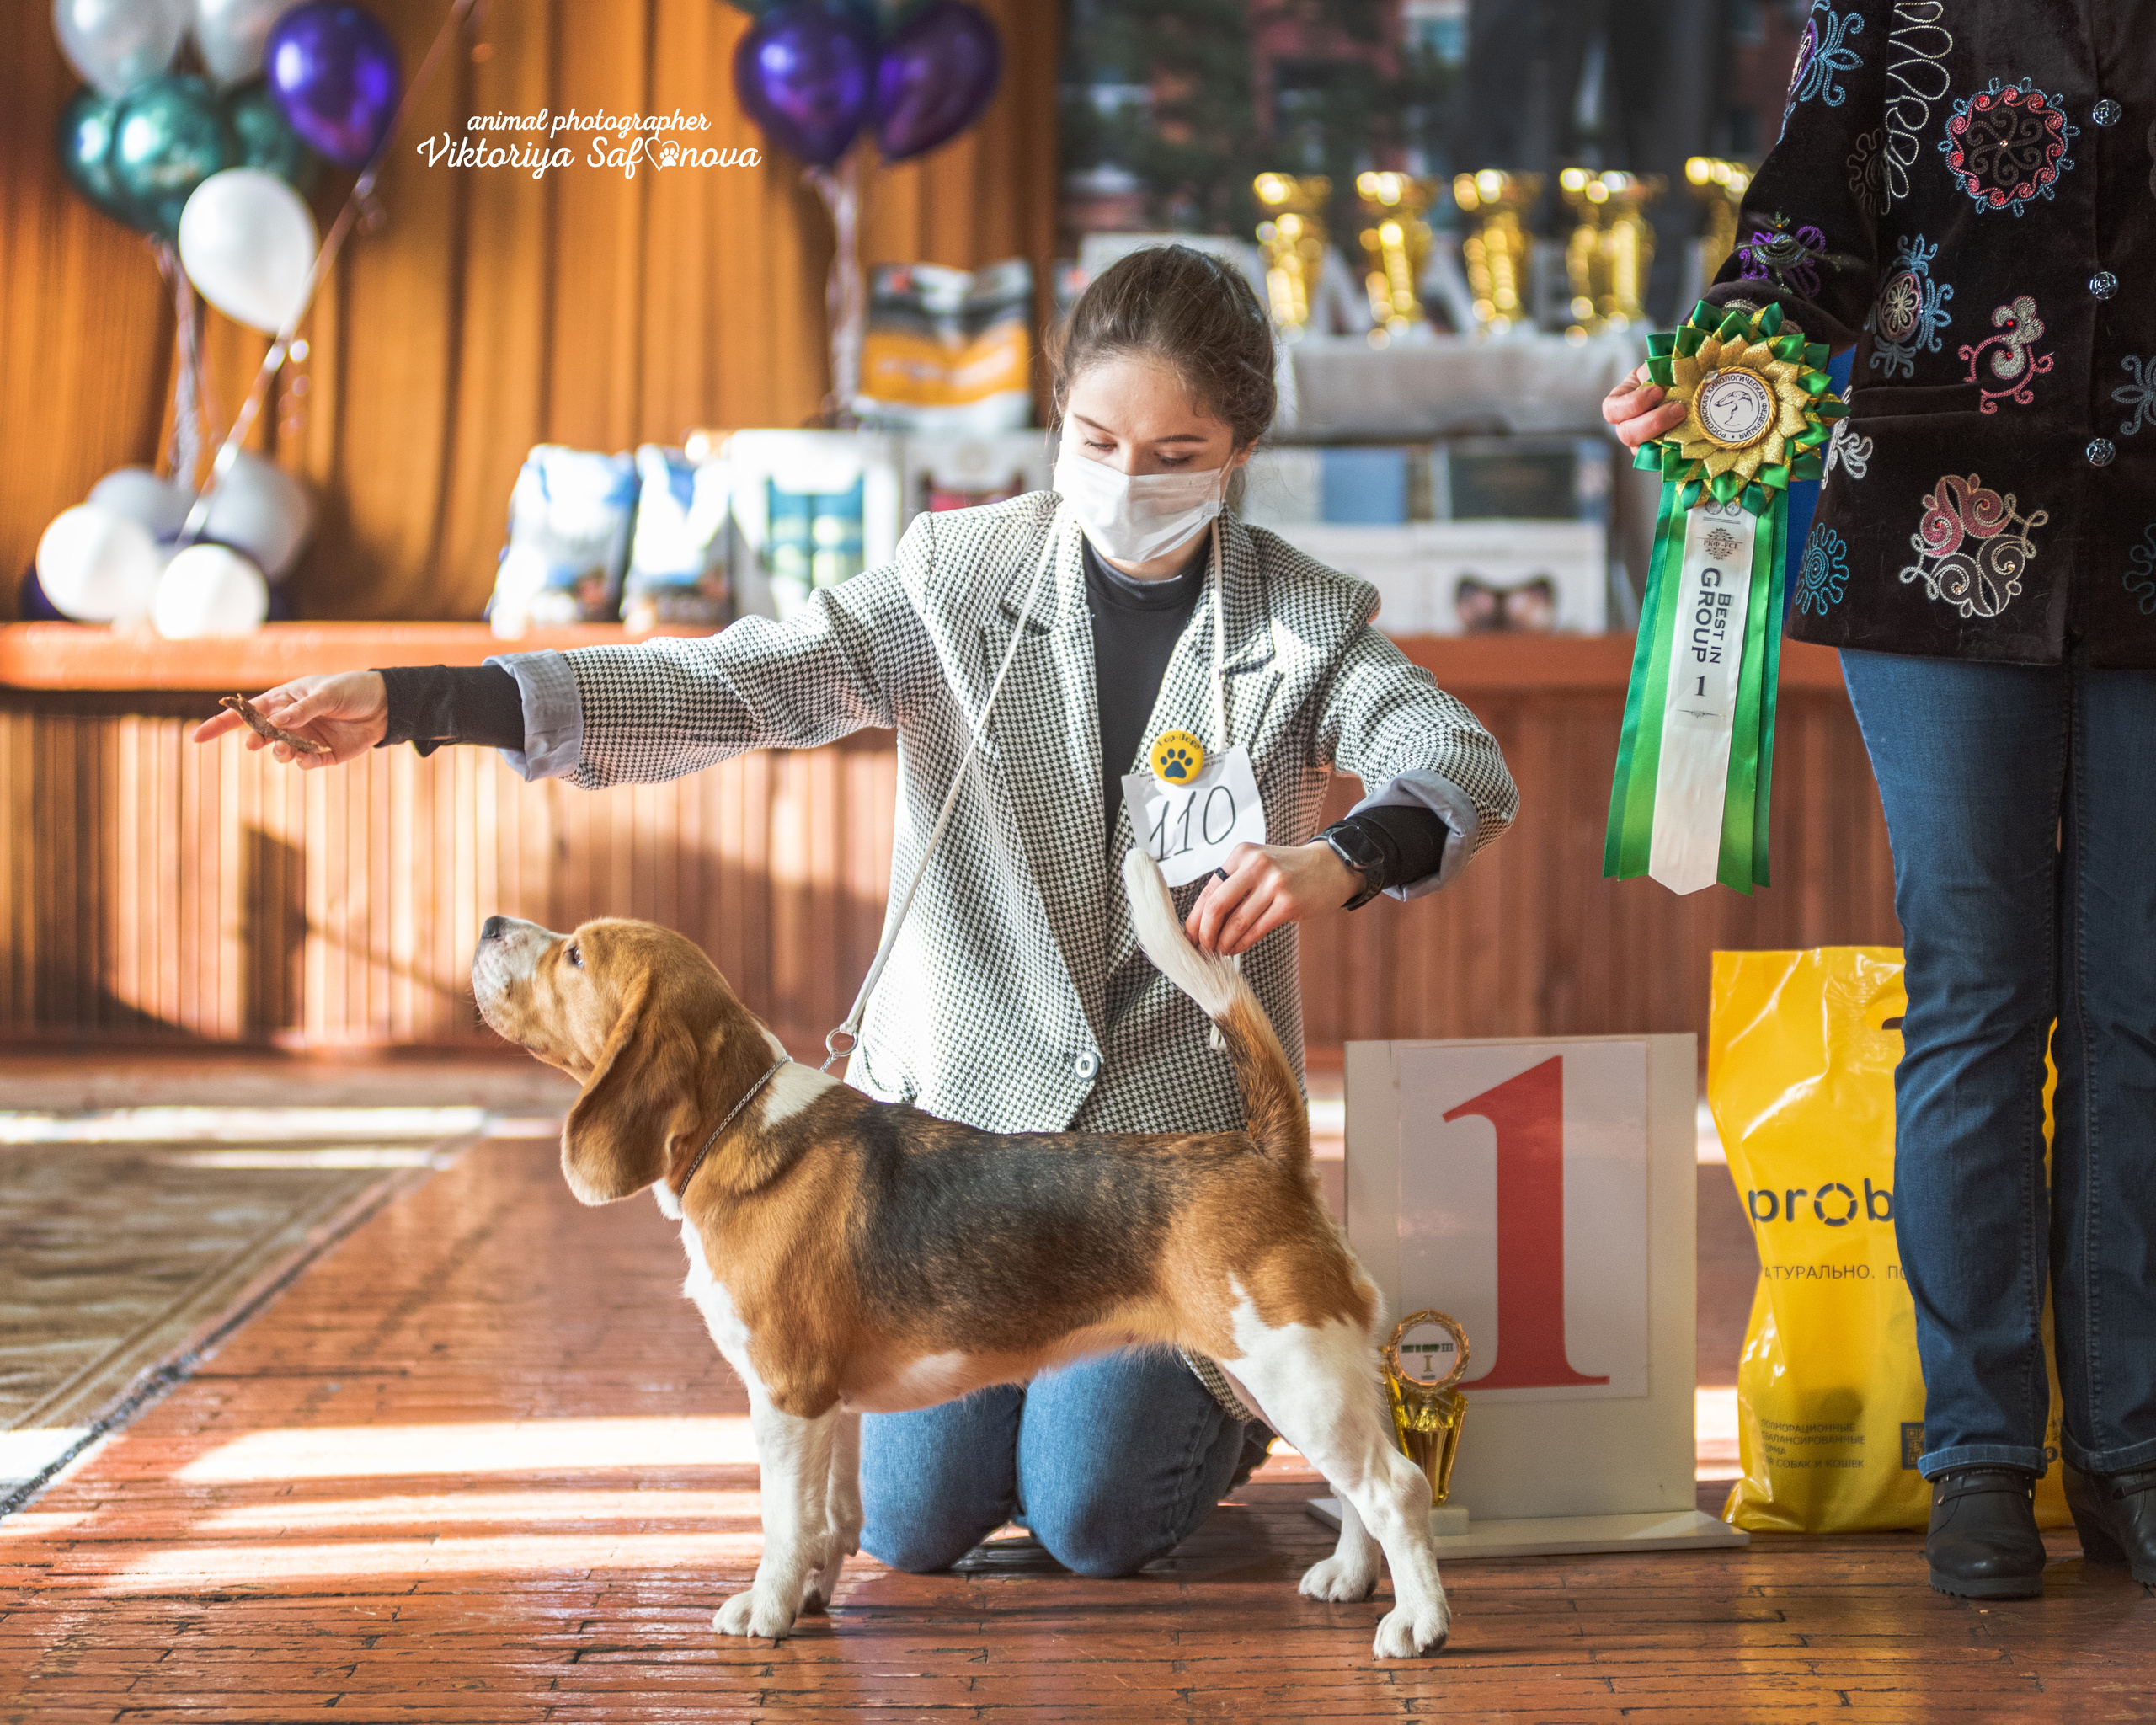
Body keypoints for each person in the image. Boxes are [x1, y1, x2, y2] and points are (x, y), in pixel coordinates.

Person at [195, 243, 1518, 1580]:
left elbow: (1456, 758)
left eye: (1177, 451)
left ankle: (1227, 1412)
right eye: (1098, 437)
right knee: (911, 1529)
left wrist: (1345, 852)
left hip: (1160, 1176)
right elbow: (735, 685)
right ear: (1057, 415)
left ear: (1240, 447)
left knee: (1093, 1518)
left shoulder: (1304, 617)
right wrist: (429, 702)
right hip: (934, 1165)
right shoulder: (954, 576)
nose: (1128, 479)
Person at [1606, 9, 2156, 1599]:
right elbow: (1805, 219)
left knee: (2136, 1000)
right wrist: (1716, 368)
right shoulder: (1898, 8)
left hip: (2155, 548)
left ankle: (2129, 1444)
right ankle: (1981, 1450)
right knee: (1979, 992)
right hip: (1934, 539)